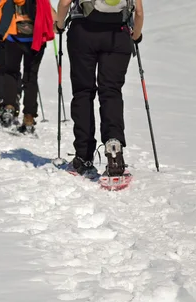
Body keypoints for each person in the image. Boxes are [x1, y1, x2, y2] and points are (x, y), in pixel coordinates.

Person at [55, 0, 143, 177]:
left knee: (83, 92)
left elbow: (64, 3)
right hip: (118, 35)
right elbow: (139, 12)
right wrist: (136, 35)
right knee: (111, 91)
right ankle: (114, 145)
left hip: (82, 33)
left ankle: (83, 156)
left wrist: (59, 25)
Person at [0, 0, 55, 132]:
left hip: (14, 39)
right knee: (31, 77)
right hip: (35, 40)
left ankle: (9, 107)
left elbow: (2, 13)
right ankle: (29, 117)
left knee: (11, 72)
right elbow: (52, 14)